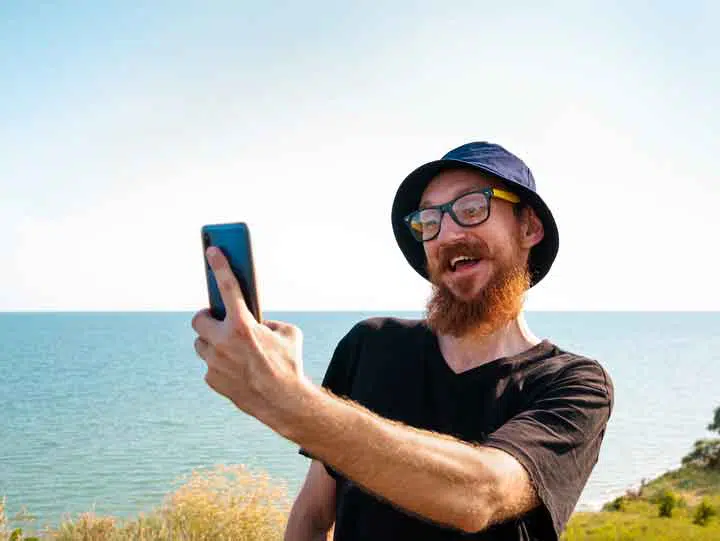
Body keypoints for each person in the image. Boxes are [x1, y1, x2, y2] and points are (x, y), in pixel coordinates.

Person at [191, 141, 614, 540]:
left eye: (471, 208)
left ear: (529, 227)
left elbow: (482, 494)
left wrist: (286, 399)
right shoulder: (369, 345)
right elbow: (314, 512)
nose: (446, 235)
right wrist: (292, 402)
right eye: (429, 221)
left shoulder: (574, 385)